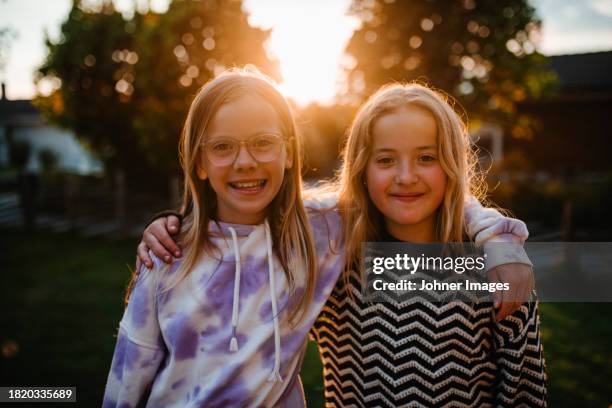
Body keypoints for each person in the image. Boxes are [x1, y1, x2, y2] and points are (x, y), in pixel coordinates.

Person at [134, 81, 540, 406]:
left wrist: (497, 237)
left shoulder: (494, 271)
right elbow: (249, 231)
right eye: (385, 160)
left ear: (451, 163)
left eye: (426, 158)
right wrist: (176, 227)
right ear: (362, 169)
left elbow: (524, 390)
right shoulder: (333, 260)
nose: (405, 175)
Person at [103, 68, 345, 407]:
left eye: (263, 142)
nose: (244, 162)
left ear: (288, 153)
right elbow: (128, 376)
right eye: (222, 146)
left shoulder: (321, 232)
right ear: (200, 162)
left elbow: (401, 210)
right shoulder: (167, 254)